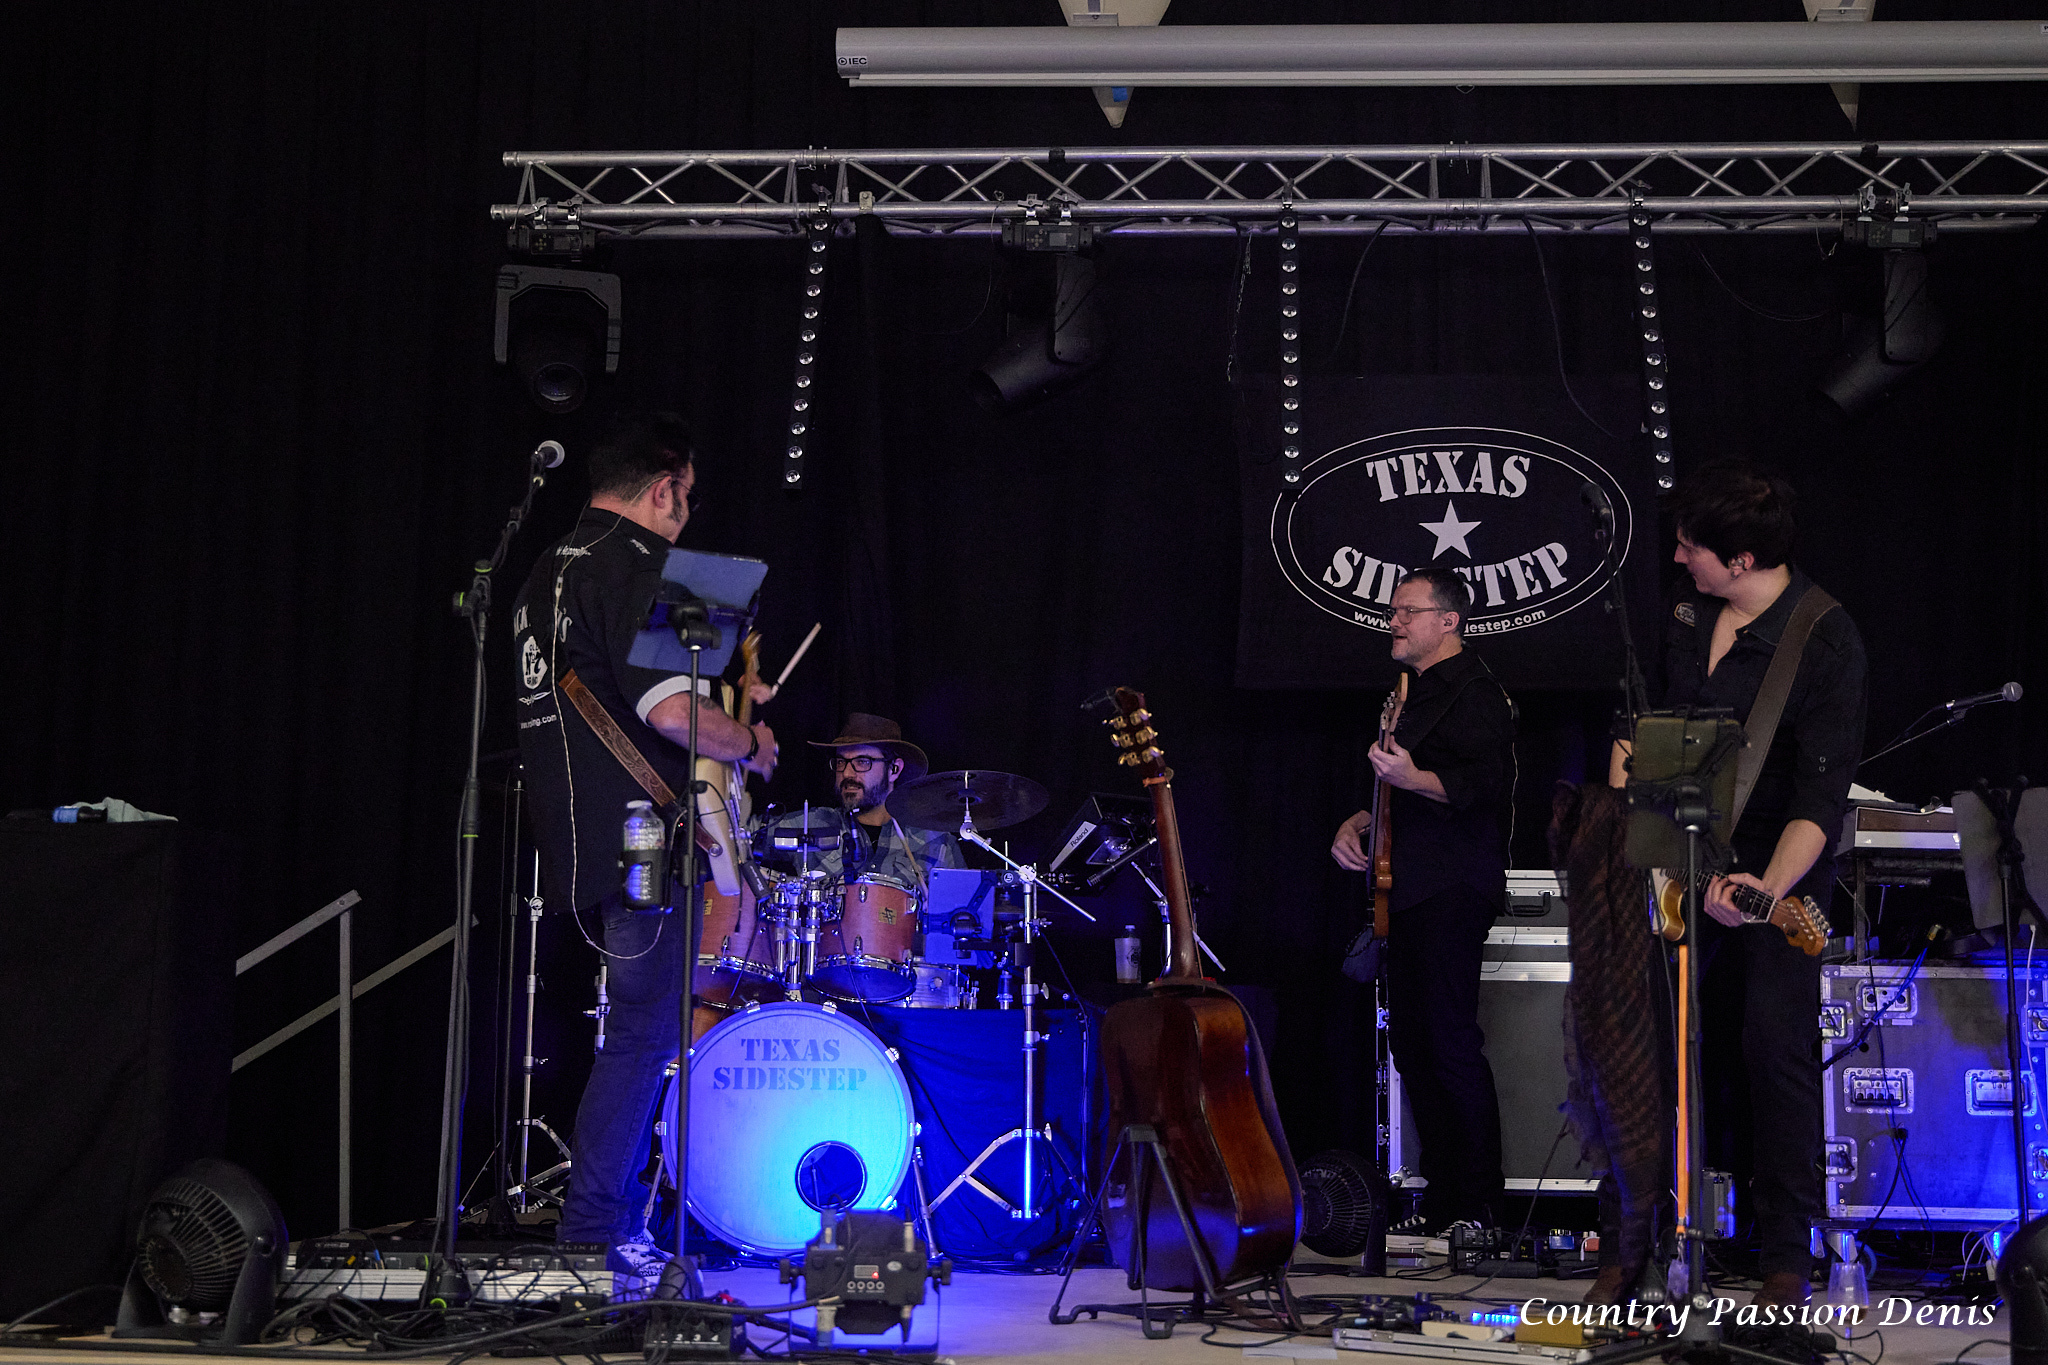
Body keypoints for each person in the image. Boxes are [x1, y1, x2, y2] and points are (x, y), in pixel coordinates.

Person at [511, 412, 779, 1279]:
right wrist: (751, 742)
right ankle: (598, 1228)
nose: (685, 517)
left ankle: (604, 1223)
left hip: (582, 837)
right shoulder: (636, 565)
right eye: (685, 497)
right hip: (648, 840)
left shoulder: (542, 572)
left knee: (634, 1031)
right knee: (643, 1033)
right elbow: (672, 712)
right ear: (665, 487)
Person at [1604, 459, 1866, 1308]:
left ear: (1743, 560)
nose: (1680, 558)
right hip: (1671, 847)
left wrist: (1760, 889)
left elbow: (1820, 800)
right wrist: (1628, 812)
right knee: (1641, 1046)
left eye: (1693, 548)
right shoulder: (1687, 612)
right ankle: (1633, 1236)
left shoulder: (1826, 640)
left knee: (1772, 1044)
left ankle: (1785, 1250)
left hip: (1773, 862)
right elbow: (1638, 719)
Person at [1330, 566, 1516, 1238]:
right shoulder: (1409, 694)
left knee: (1450, 1041)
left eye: (1409, 610)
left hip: (1451, 887)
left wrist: (1412, 777)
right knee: (1411, 1045)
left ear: (1449, 621)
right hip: (1405, 887)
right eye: (1393, 610)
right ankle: (1443, 1201)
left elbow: (1485, 786)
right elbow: (1402, 788)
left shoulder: (1476, 692)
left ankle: (1481, 1206)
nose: (1395, 621)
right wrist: (1359, 820)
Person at [757, 713, 962, 891]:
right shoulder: (811, 824)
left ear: (894, 769)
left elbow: (963, 915)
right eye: (841, 762)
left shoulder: (935, 842)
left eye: (862, 762)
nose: (847, 773)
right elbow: (742, 842)